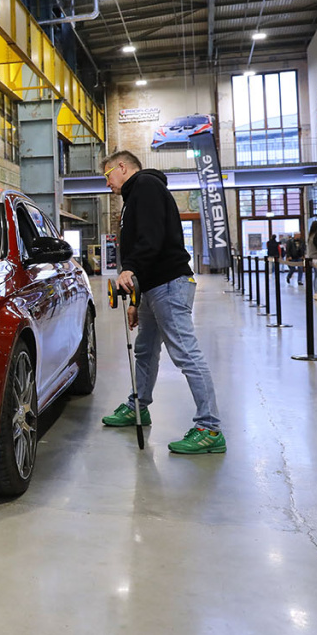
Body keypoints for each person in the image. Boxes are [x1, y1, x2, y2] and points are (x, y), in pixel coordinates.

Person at [99, 150, 224, 455]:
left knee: (186, 353)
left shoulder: (146, 186)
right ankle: (138, 406)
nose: (107, 184)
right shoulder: (133, 196)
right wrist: (135, 299)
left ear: (122, 167)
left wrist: (130, 269)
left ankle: (210, 428)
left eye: (107, 175)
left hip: (169, 284)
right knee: (144, 349)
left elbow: (151, 238)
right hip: (152, 287)